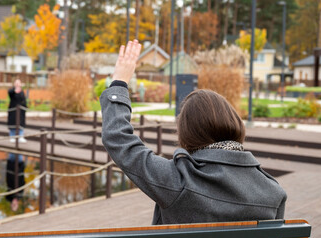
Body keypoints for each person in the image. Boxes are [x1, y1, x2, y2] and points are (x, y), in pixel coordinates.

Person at [100, 40, 287, 225]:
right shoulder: (273, 192)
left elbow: (119, 139)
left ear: (188, 133)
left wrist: (119, 83)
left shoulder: (179, 182)